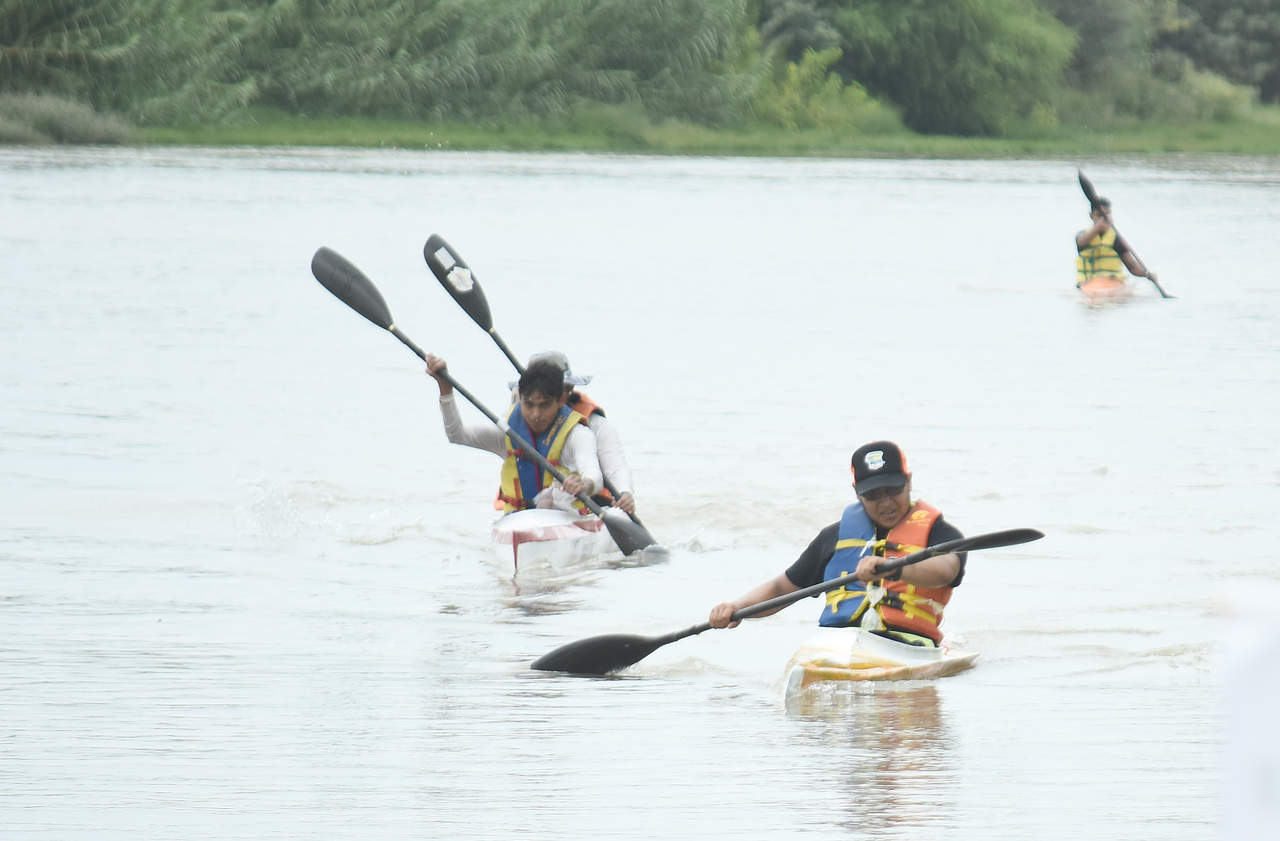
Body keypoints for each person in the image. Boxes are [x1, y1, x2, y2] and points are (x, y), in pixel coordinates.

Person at [708, 441, 965, 647]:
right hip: (838, 646)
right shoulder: (833, 537)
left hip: (910, 646)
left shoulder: (939, 533)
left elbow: (946, 570)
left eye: (893, 490)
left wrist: (894, 568)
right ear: (857, 492)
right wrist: (736, 608)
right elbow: (782, 588)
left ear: (908, 482)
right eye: (873, 494)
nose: (886, 502)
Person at [424, 354, 602, 515]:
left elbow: (594, 474)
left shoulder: (577, 435)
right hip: (517, 520)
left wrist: (584, 485)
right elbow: (457, 435)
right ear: (520, 398)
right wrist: (445, 390)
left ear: (561, 400)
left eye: (544, 405)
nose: (536, 414)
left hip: (565, 519)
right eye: (529, 404)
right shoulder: (507, 433)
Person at [521, 351, 637, 516]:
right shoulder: (518, 425)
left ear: (568, 391)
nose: (536, 413)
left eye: (549, 393)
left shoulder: (595, 426)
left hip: (587, 506)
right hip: (536, 507)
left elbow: (615, 466)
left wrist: (625, 493)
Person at [1075, 196, 1159, 289]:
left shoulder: (1116, 239)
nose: (1103, 219)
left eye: (1107, 215)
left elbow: (1132, 267)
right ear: (1091, 216)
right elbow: (1081, 243)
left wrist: (1147, 275)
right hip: (1088, 283)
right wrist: (1097, 227)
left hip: (1113, 282)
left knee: (1126, 291)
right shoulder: (1082, 235)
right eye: (1099, 215)